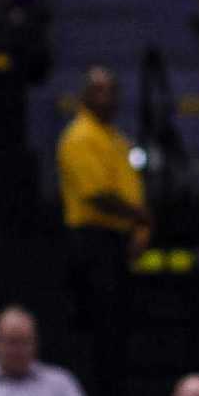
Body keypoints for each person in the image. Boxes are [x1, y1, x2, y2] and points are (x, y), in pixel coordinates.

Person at [56, 66, 150, 364]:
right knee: (99, 328)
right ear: (83, 96)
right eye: (98, 90)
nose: (106, 97)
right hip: (91, 244)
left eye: (111, 90)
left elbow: (131, 190)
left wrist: (139, 231)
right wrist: (142, 217)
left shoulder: (117, 140)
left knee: (118, 327)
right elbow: (97, 195)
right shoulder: (79, 137)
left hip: (116, 243)